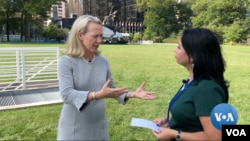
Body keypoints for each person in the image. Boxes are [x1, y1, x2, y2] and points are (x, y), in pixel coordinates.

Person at [56, 15, 156, 140]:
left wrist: (132, 94)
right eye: (95, 36)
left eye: (101, 36)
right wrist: (96, 95)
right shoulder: (66, 62)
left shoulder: (102, 61)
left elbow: (111, 88)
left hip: (99, 126)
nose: (99, 40)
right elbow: (67, 94)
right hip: (74, 129)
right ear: (80, 35)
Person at [152, 28, 229, 141]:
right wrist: (170, 122)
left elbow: (215, 137)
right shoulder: (193, 80)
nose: (174, 50)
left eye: (179, 47)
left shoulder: (207, 89)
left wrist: (175, 134)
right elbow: (193, 116)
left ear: (193, 56)